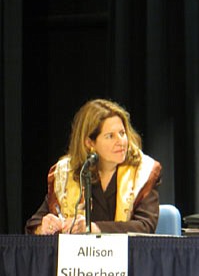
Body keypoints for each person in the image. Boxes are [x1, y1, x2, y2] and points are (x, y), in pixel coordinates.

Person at [25, 99, 162, 234]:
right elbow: (33, 224)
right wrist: (43, 226)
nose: (121, 142)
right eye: (110, 136)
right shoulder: (67, 173)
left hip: (128, 254)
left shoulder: (143, 172)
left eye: (122, 133)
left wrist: (95, 228)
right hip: (79, 255)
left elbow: (145, 226)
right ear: (90, 143)